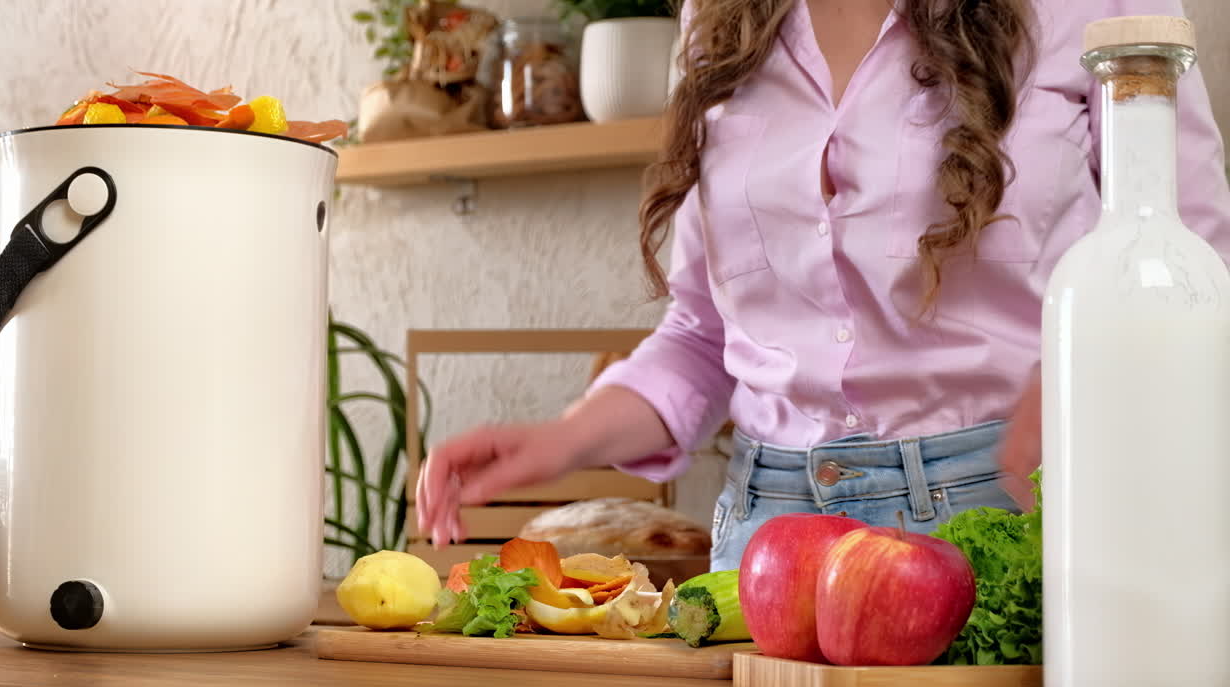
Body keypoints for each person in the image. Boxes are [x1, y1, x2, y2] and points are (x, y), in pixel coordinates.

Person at [417, 0, 1230, 571]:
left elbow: (1192, 266)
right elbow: (705, 336)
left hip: (1014, 524)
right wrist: (563, 441)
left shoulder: (1094, 6)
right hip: (766, 546)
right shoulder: (720, 20)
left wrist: (1077, 394)